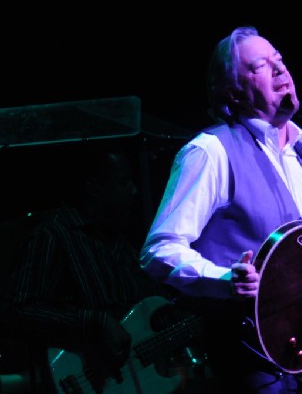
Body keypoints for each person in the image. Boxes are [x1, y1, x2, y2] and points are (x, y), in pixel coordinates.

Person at [140, 25, 302, 394]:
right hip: (248, 353)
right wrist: (222, 280)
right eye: (259, 66)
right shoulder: (210, 151)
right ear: (233, 91)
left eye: (279, 60)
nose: (280, 69)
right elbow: (159, 249)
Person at [0, 142, 202, 394]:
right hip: (75, 377)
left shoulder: (122, 243)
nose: (134, 190)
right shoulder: (54, 235)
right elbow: (16, 311)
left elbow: (145, 310)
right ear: (94, 188)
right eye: (123, 182)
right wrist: (96, 322)